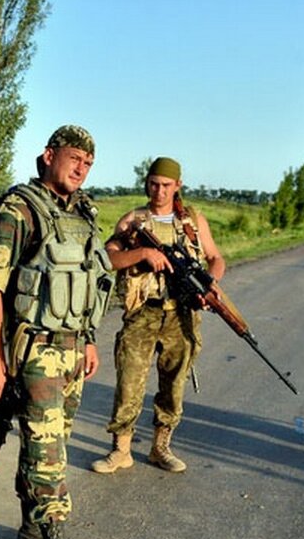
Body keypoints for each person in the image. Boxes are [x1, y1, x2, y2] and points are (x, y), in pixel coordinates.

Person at [0, 125, 113, 539]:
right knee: (48, 455)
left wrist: (90, 340)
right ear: (49, 155)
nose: (81, 169)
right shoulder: (19, 210)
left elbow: (92, 282)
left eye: (89, 163)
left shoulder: (83, 212)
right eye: (75, 158)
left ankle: (33, 534)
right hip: (35, 349)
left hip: (75, 347)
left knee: (50, 445)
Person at [91, 157, 226, 475]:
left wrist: (210, 286)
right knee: (129, 382)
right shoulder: (133, 220)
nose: (159, 190)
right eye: (154, 184)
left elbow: (215, 257)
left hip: (181, 316)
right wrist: (142, 254)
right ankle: (121, 451)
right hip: (143, 313)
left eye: (166, 185)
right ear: (146, 183)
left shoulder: (192, 221)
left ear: (178, 185)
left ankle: (160, 447)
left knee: (173, 385)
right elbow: (108, 258)